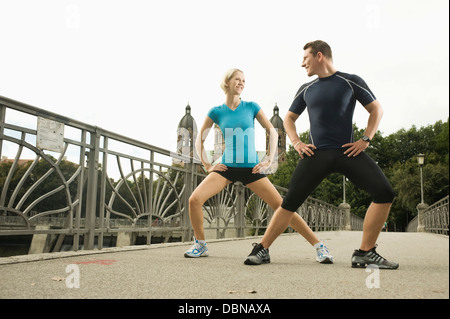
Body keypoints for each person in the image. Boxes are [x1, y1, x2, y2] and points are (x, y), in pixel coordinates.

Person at [244, 41, 399, 269]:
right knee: (289, 203)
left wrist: (365, 139)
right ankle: (262, 249)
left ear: (319, 56)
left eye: (305, 58)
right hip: (316, 155)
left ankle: (366, 252)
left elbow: (377, 109)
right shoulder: (307, 89)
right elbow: (288, 119)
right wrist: (297, 143)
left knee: (384, 192)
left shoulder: (351, 81)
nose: (302, 63)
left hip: (348, 152)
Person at [184, 68, 333, 264]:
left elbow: (272, 131)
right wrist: (207, 165)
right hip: (226, 167)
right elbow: (199, 140)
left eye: (244, 80)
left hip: (252, 168)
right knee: (194, 199)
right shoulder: (216, 111)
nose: (241, 83)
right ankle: (200, 244)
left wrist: (269, 160)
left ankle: (319, 246)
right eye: (237, 79)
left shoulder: (252, 107)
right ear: (227, 82)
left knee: (284, 207)